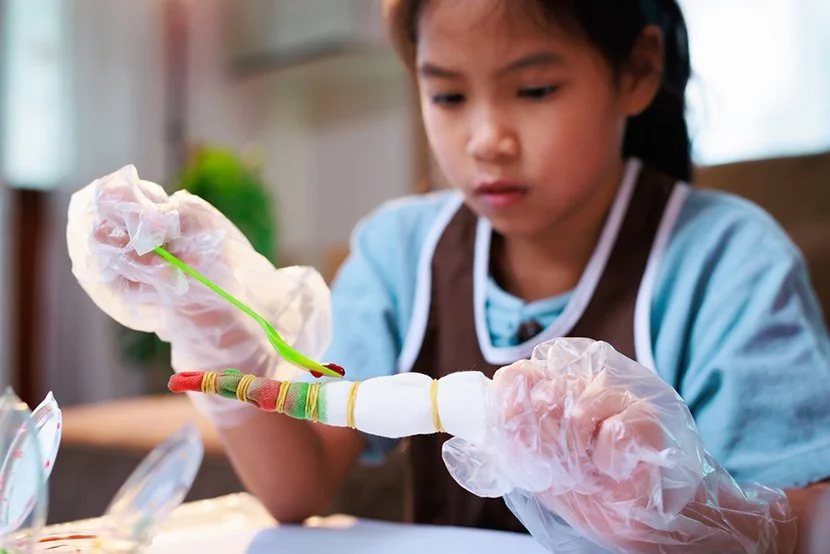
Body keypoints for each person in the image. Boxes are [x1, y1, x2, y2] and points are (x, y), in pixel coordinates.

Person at [69, 0, 830, 551]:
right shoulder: (402, 251)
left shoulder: (729, 261)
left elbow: (807, 515)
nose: (487, 139)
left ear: (636, 71)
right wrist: (214, 326)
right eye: (448, 94)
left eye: (534, 90)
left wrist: (703, 520)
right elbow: (297, 491)